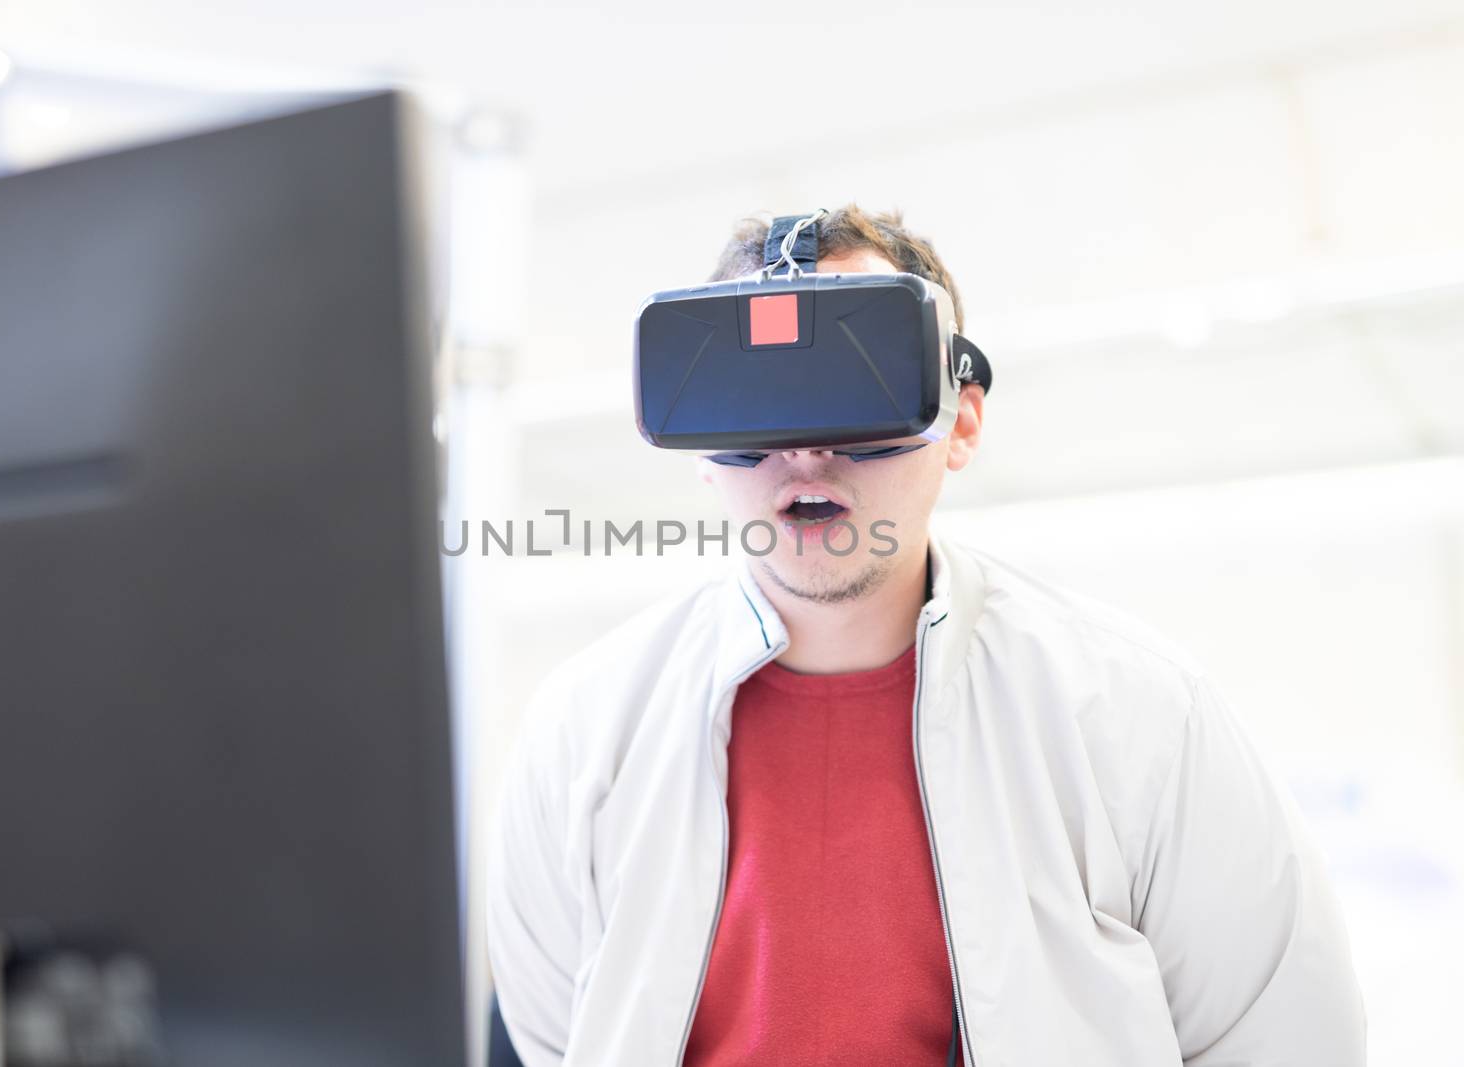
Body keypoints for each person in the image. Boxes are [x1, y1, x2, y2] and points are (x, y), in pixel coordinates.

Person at [486, 205, 1365, 1066]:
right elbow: (553, 1034)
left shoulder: (1138, 716)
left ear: (962, 419)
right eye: (758, 404)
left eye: (860, 390)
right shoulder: (585, 729)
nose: (805, 453)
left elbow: (1286, 1032)